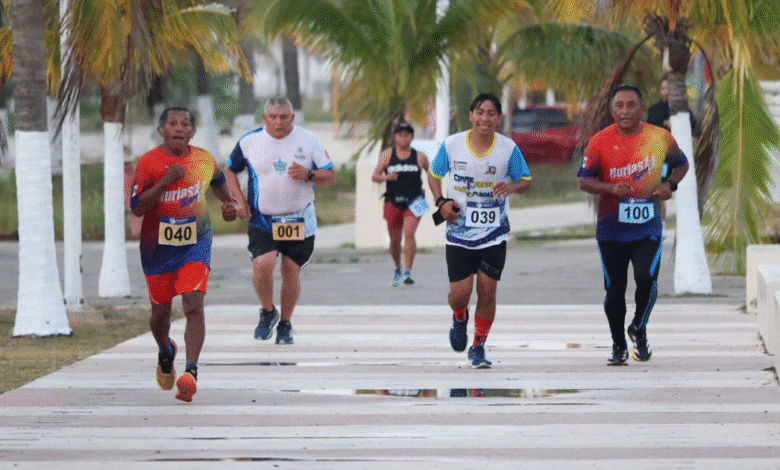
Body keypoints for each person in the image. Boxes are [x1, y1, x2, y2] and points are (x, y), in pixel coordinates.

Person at [130, 106, 238, 402]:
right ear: (161, 130)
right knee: (160, 315)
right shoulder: (149, 163)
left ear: (192, 132)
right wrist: (165, 181)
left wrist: (229, 203)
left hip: (195, 243)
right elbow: (137, 208)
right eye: (172, 123)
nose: (179, 128)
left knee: (193, 304)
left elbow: (218, 182)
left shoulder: (203, 159)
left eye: (185, 124)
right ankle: (166, 351)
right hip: (157, 249)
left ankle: (190, 373)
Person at [578, 84, 689, 365]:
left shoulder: (660, 137)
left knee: (645, 278)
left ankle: (639, 326)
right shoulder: (600, 141)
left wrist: (670, 184)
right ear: (611, 110)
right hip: (611, 230)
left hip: (647, 228)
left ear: (642, 108)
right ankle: (618, 345)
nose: (625, 111)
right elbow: (584, 180)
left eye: (631, 105)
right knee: (614, 289)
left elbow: (682, 164)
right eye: (619, 105)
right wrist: (609, 187)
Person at [427, 93, 532, 369]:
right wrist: (441, 202)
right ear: (471, 116)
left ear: (498, 118)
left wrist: (511, 186)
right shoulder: (452, 145)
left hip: (493, 232)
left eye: (491, 113)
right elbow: (434, 174)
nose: (485, 118)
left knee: (487, 292)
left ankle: (479, 346)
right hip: (459, 233)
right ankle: (459, 315)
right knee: (459, 294)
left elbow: (525, 180)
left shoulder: (508, 149)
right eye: (480, 112)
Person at [224, 97, 336, 345]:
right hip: (263, 218)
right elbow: (230, 169)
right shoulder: (250, 141)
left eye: (284, 117)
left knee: (290, 270)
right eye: (273, 117)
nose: (278, 122)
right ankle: (267, 311)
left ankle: (285, 324)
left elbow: (330, 175)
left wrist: (309, 174)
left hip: (299, 217)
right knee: (262, 265)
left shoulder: (309, 140)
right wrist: (239, 200)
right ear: (265, 118)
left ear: (292, 118)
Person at [371, 120, 430, 286]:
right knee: (395, 240)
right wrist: (386, 177)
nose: (404, 138)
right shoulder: (388, 155)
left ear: (412, 137)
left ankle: (408, 272)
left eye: (407, 134)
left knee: (409, 233)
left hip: (416, 200)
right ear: (395, 137)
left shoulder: (420, 156)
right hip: (392, 200)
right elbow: (374, 176)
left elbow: (432, 174)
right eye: (400, 134)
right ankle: (397, 267)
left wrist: (437, 195)